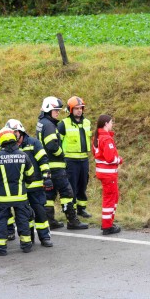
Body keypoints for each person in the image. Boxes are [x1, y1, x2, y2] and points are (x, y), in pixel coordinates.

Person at [36, 96, 88, 230]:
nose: (58, 113)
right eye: (55, 110)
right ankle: (72, 221)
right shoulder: (49, 125)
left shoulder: (42, 123)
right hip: (56, 166)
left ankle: (50, 220)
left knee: (49, 195)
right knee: (67, 193)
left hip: (47, 165)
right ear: (48, 110)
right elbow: (52, 145)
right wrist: (61, 154)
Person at [0, 128, 34, 256]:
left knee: (1, 221)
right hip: (20, 196)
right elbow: (31, 175)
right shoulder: (23, 155)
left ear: (1, 140)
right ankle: (26, 244)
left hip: (2, 197)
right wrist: (24, 187)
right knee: (22, 220)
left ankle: (0, 248)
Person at [5, 119, 54, 248]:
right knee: (24, 216)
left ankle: (45, 237)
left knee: (40, 213)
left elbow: (43, 160)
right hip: (20, 189)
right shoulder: (9, 148)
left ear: (20, 131)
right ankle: (29, 238)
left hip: (36, 187)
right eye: (10, 132)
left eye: (15, 132)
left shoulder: (33, 143)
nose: (13, 135)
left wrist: (47, 177)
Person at [57, 96, 92, 219]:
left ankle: (82, 208)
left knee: (83, 184)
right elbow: (58, 142)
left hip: (84, 159)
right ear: (70, 110)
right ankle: (73, 210)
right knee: (72, 186)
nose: (79, 111)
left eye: (81, 108)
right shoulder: (63, 124)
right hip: (70, 160)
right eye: (76, 108)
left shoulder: (87, 123)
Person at [92, 114, 122, 235]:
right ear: (105, 124)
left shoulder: (97, 137)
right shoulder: (106, 139)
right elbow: (110, 158)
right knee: (111, 199)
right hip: (108, 174)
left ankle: (108, 222)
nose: (112, 124)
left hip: (102, 172)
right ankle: (107, 226)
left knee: (112, 197)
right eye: (111, 122)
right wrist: (119, 159)